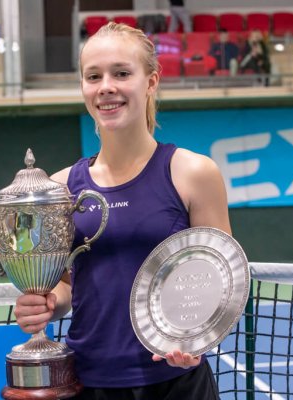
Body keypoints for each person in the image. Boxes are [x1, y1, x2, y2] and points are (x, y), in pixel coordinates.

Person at [15, 22, 231, 400]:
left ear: (151, 81)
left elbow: (222, 279)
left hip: (177, 384)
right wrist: (47, 303)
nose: (106, 87)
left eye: (121, 73)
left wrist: (195, 339)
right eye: (93, 76)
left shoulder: (194, 173)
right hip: (88, 382)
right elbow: (65, 284)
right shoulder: (59, 187)